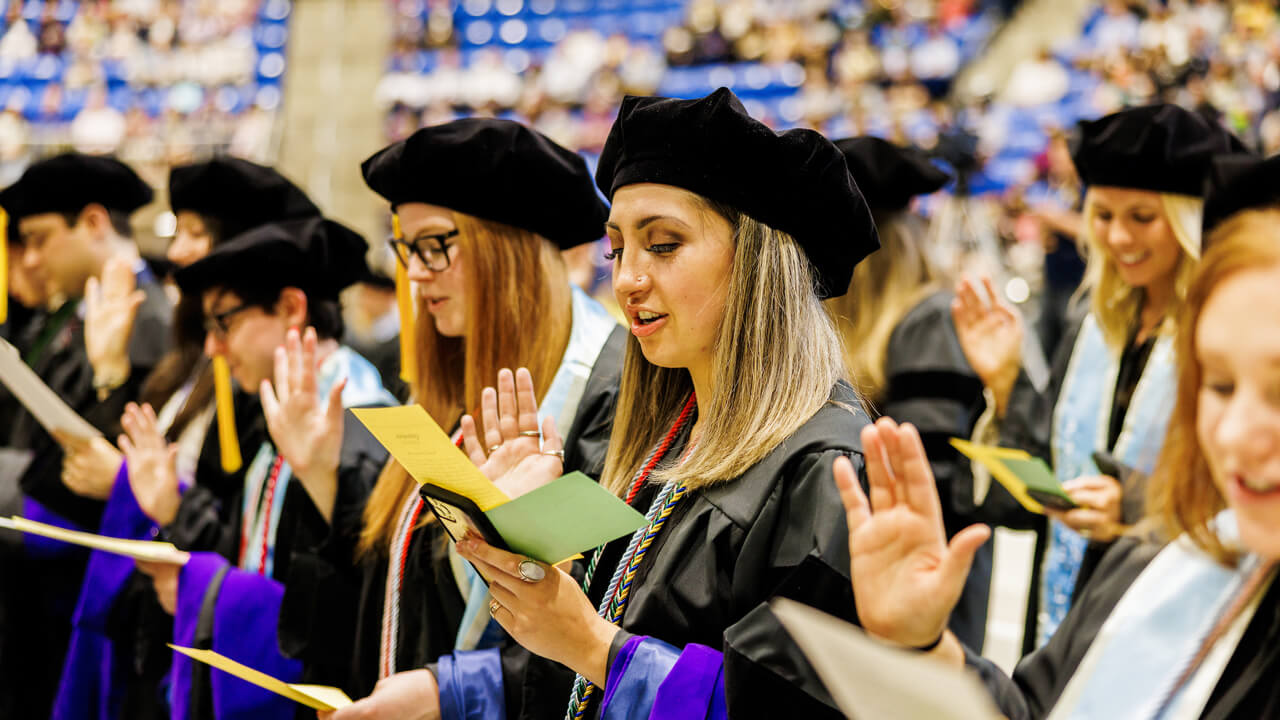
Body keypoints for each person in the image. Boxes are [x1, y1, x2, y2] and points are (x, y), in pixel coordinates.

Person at [327, 86, 880, 720]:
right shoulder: (668, 439)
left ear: (759, 263)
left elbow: (795, 705)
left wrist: (595, 646)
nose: (626, 279)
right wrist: (458, 676)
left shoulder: (828, 465)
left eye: (663, 244)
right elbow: (592, 650)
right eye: (617, 249)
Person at [838, 173, 1280, 717]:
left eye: (1142, 216)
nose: (1235, 431)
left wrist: (1135, 504)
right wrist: (927, 643)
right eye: (1219, 384)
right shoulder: (1151, 569)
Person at [278, 117, 624, 703]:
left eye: (436, 245)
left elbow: (602, 645)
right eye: (408, 249)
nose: (414, 273)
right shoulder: (446, 389)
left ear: (508, 249)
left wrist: (450, 697)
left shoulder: (607, 398)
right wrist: (320, 476)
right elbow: (397, 594)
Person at [951, 104, 1246, 649]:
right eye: (1104, 215)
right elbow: (1047, 472)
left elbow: (1241, 490)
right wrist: (1005, 379)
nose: (1117, 237)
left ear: (1187, 221)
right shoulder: (1096, 323)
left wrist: (1135, 510)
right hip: (1069, 615)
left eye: (1141, 216)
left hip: (1170, 613)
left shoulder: (1226, 335)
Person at [53, 156, 324, 720]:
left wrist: (143, 490)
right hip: (154, 625)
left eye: (197, 232)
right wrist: (106, 373)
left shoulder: (269, 380)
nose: (177, 250)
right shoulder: (192, 358)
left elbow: (244, 535)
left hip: (208, 634)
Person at [146, 217, 397, 719]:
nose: (213, 347)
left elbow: (359, 608)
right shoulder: (282, 412)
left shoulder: (369, 422)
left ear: (290, 308)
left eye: (225, 322)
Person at [0, 152, 170, 718]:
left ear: (94, 223)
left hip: (90, 577)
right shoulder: (77, 314)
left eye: (40, 238)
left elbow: (103, 468)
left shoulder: (150, 321)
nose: (30, 258)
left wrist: (108, 376)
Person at [827, 135, 991, 651]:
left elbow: (934, 481)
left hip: (923, 585)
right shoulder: (854, 327)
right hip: (869, 574)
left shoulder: (929, 321)